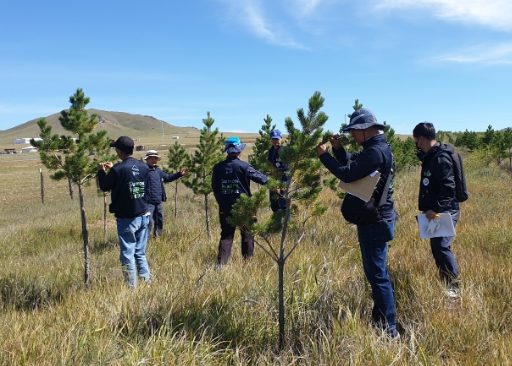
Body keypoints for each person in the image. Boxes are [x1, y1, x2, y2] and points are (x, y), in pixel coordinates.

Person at [316, 109, 399, 339]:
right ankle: (381, 320)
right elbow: (353, 160)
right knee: (376, 273)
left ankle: (388, 330)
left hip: (375, 221)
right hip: (377, 218)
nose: (352, 135)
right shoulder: (378, 149)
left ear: (364, 130)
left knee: (378, 275)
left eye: (353, 131)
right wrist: (337, 150)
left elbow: (348, 173)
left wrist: (324, 156)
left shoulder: (375, 152)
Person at [413, 122, 460, 297]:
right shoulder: (431, 156)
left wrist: (435, 209)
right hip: (436, 212)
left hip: (445, 211)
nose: (416, 144)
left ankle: (454, 285)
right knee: (436, 247)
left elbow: (449, 189)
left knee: (441, 246)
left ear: (422, 139)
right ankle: (446, 282)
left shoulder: (440, 158)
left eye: (416, 140)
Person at [98, 136, 151, 288]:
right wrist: (114, 168)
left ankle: (131, 288)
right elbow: (131, 177)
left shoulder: (118, 170)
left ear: (120, 151)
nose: (115, 151)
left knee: (127, 255)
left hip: (127, 219)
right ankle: (146, 282)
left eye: (116, 149)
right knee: (140, 253)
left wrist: (101, 172)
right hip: (144, 214)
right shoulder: (143, 167)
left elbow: (104, 186)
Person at [212, 136, 268, 266]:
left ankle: (221, 265)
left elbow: (215, 187)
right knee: (247, 235)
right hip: (244, 208)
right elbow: (262, 179)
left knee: (226, 236)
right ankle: (247, 263)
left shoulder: (218, 167)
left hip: (225, 208)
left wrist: (221, 202)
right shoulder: (244, 166)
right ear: (239, 151)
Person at [143, 150, 189, 238]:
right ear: (147, 159)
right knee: (148, 222)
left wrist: (179, 174)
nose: (154, 160)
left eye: (155, 159)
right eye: (152, 158)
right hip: (148, 202)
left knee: (159, 220)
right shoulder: (144, 171)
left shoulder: (158, 171)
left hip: (158, 201)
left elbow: (168, 178)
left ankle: (157, 237)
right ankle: (145, 239)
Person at [267, 129, 289, 212]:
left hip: (283, 180)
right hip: (273, 180)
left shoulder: (285, 150)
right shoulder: (270, 151)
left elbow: (287, 167)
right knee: (274, 204)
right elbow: (269, 164)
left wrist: (280, 183)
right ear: (271, 139)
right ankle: (277, 224)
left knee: (283, 205)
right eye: (273, 139)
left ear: (281, 138)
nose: (275, 141)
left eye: (277, 139)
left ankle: (286, 224)